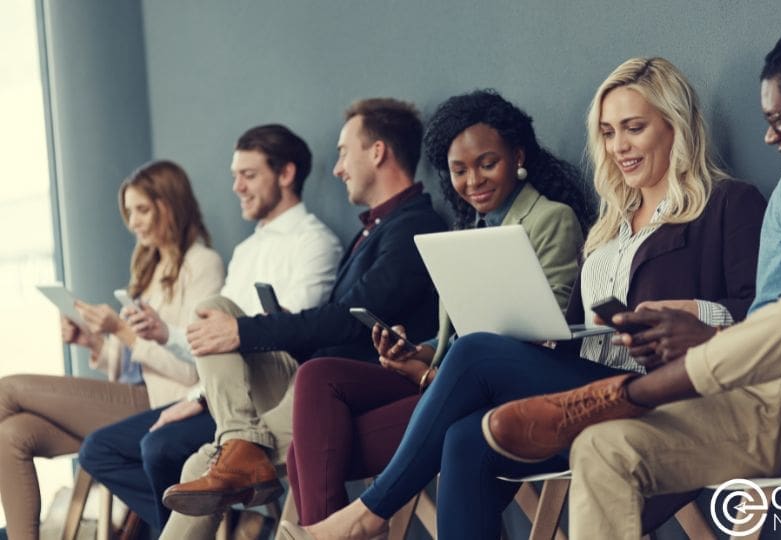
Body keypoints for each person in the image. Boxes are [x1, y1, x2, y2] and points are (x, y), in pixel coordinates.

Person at [483, 23, 781, 539]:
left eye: (779, 119)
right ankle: (625, 400)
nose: (769, 136)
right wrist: (706, 337)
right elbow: (766, 325)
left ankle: (632, 392)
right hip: (770, 406)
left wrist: (710, 337)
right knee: (602, 448)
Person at [289, 58, 768, 540]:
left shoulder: (727, 203)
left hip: (665, 393)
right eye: (607, 132)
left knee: (476, 352)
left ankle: (366, 516)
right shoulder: (607, 229)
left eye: (633, 128)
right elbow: (581, 330)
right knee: (464, 437)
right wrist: (548, 340)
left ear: (676, 125)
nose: (619, 146)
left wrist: (697, 313)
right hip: (592, 388)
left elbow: (767, 317)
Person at [278, 89, 591, 534]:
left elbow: (547, 324)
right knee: (317, 377)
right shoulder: (468, 230)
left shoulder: (551, 219)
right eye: (459, 170)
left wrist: (432, 374)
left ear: (517, 155)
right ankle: (333, 529)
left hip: (499, 386)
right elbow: (457, 338)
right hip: (452, 375)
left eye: (487, 163)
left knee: (308, 451)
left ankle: (341, 527)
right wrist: (418, 353)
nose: (473, 181)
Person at [158, 98, 447, 540]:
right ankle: (240, 438)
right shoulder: (374, 229)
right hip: (310, 376)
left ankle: (239, 445)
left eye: (343, 152)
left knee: (202, 463)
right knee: (215, 307)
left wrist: (247, 330)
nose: (337, 168)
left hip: (345, 387)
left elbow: (352, 321)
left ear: (378, 152)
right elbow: (339, 321)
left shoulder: (414, 226)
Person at [77, 124, 343, 531]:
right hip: (221, 393)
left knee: (161, 446)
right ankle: (236, 525)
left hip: (272, 392)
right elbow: (211, 339)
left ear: (286, 175)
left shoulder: (315, 243)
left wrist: (198, 396)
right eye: (235, 176)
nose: (236, 186)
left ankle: (236, 482)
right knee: (101, 448)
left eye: (248, 175)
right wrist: (181, 363)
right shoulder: (245, 251)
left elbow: (291, 335)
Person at [0, 160, 224, 540]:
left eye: (142, 210)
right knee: (10, 435)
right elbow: (128, 366)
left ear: (169, 205)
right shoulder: (149, 267)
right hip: (134, 396)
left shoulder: (203, 264)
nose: (133, 222)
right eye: (129, 212)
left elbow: (192, 369)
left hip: (166, 403)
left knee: (7, 389)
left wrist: (122, 329)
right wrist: (93, 341)